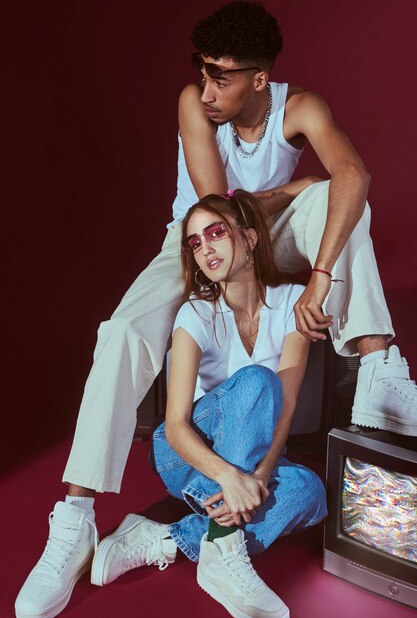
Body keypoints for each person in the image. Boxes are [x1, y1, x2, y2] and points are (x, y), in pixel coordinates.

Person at [15, 0, 417, 618]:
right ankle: (74, 520)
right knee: (120, 331)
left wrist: (317, 281)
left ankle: (379, 369)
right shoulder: (191, 104)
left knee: (345, 197)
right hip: (196, 237)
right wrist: (297, 187)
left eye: (221, 76)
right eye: (202, 70)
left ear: (260, 79)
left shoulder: (298, 106)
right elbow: (217, 212)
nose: (206, 87)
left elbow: (354, 175)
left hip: (262, 238)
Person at [89, 190, 327, 618]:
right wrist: (227, 477)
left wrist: (258, 476)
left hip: (253, 459)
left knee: (310, 493)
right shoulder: (195, 313)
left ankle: (170, 538)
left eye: (215, 232)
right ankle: (223, 544)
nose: (205, 248)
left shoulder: (293, 302)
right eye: (194, 242)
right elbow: (176, 424)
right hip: (184, 457)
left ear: (250, 239)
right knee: (256, 380)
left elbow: (286, 408)